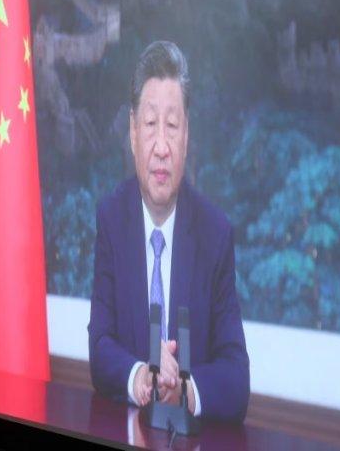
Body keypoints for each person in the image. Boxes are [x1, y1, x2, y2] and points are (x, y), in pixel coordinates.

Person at [88, 41, 250, 422]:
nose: (161, 146)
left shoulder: (215, 235)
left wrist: (185, 392)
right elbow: (100, 347)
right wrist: (140, 373)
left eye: (172, 126)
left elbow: (237, 378)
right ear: (132, 131)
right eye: (149, 124)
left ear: (187, 135)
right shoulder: (111, 219)